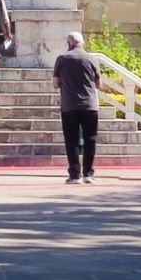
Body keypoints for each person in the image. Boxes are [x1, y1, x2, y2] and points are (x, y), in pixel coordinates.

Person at [53, 30, 101, 184]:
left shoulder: (62, 59)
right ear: (82, 43)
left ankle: (74, 175)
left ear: (69, 43)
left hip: (69, 105)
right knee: (90, 139)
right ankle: (88, 173)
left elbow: (55, 83)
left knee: (71, 140)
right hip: (90, 105)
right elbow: (99, 84)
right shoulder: (92, 59)